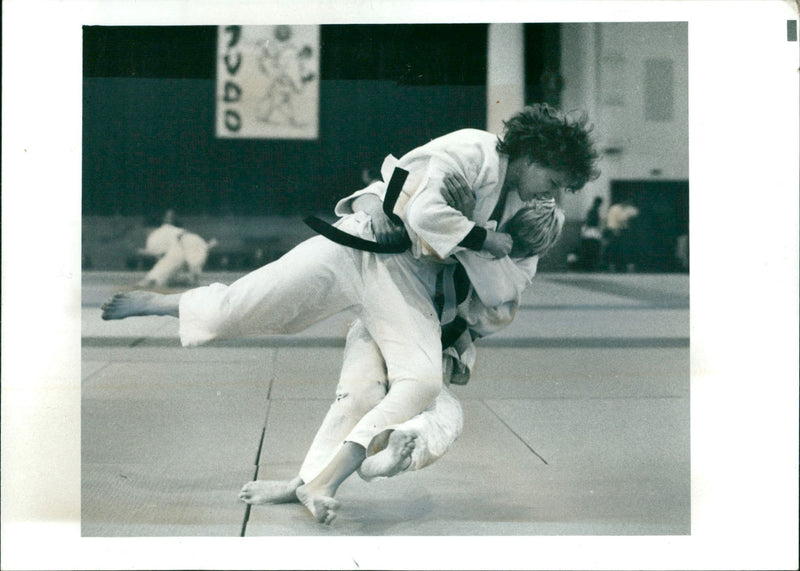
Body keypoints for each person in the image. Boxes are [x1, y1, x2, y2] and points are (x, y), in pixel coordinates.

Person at [102, 103, 599, 523]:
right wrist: (467, 231)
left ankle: (313, 481)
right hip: (359, 243)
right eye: (552, 180)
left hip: (403, 283)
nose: (551, 195)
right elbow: (407, 189)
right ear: (534, 154)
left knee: (391, 388)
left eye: (561, 191)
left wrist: (471, 240)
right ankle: (166, 303)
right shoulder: (474, 151)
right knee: (254, 302)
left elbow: (490, 287)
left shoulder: (524, 222)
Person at [238, 188, 566, 516]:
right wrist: (379, 210)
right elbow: (376, 193)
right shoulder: (463, 208)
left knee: (434, 407)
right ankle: (307, 482)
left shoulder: (512, 280)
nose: (511, 254)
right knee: (359, 396)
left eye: (522, 252)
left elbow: (470, 329)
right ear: (505, 222)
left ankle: (398, 448)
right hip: (381, 318)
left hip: (435, 341)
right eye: (513, 242)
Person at [137, 209, 218, 287]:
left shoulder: (155, 236)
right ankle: (156, 279)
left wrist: (141, 251)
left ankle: (153, 279)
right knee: (180, 269)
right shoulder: (169, 229)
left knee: (167, 270)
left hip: (188, 243)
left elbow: (159, 255)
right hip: (189, 242)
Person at [604, 200, 639, 272]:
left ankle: (628, 266)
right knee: (614, 248)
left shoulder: (629, 209)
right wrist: (615, 230)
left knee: (626, 248)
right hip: (614, 230)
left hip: (625, 230)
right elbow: (611, 222)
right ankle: (612, 266)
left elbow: (635, 212)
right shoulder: (614, 209)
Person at [577, 196, 603, 271]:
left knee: (588, 249)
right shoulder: (594, 211)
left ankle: (587, 266)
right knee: (592, 249)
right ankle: (590, 266)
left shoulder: (592, 211)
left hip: (590, 231)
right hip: (592, 231)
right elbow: (591, 222)